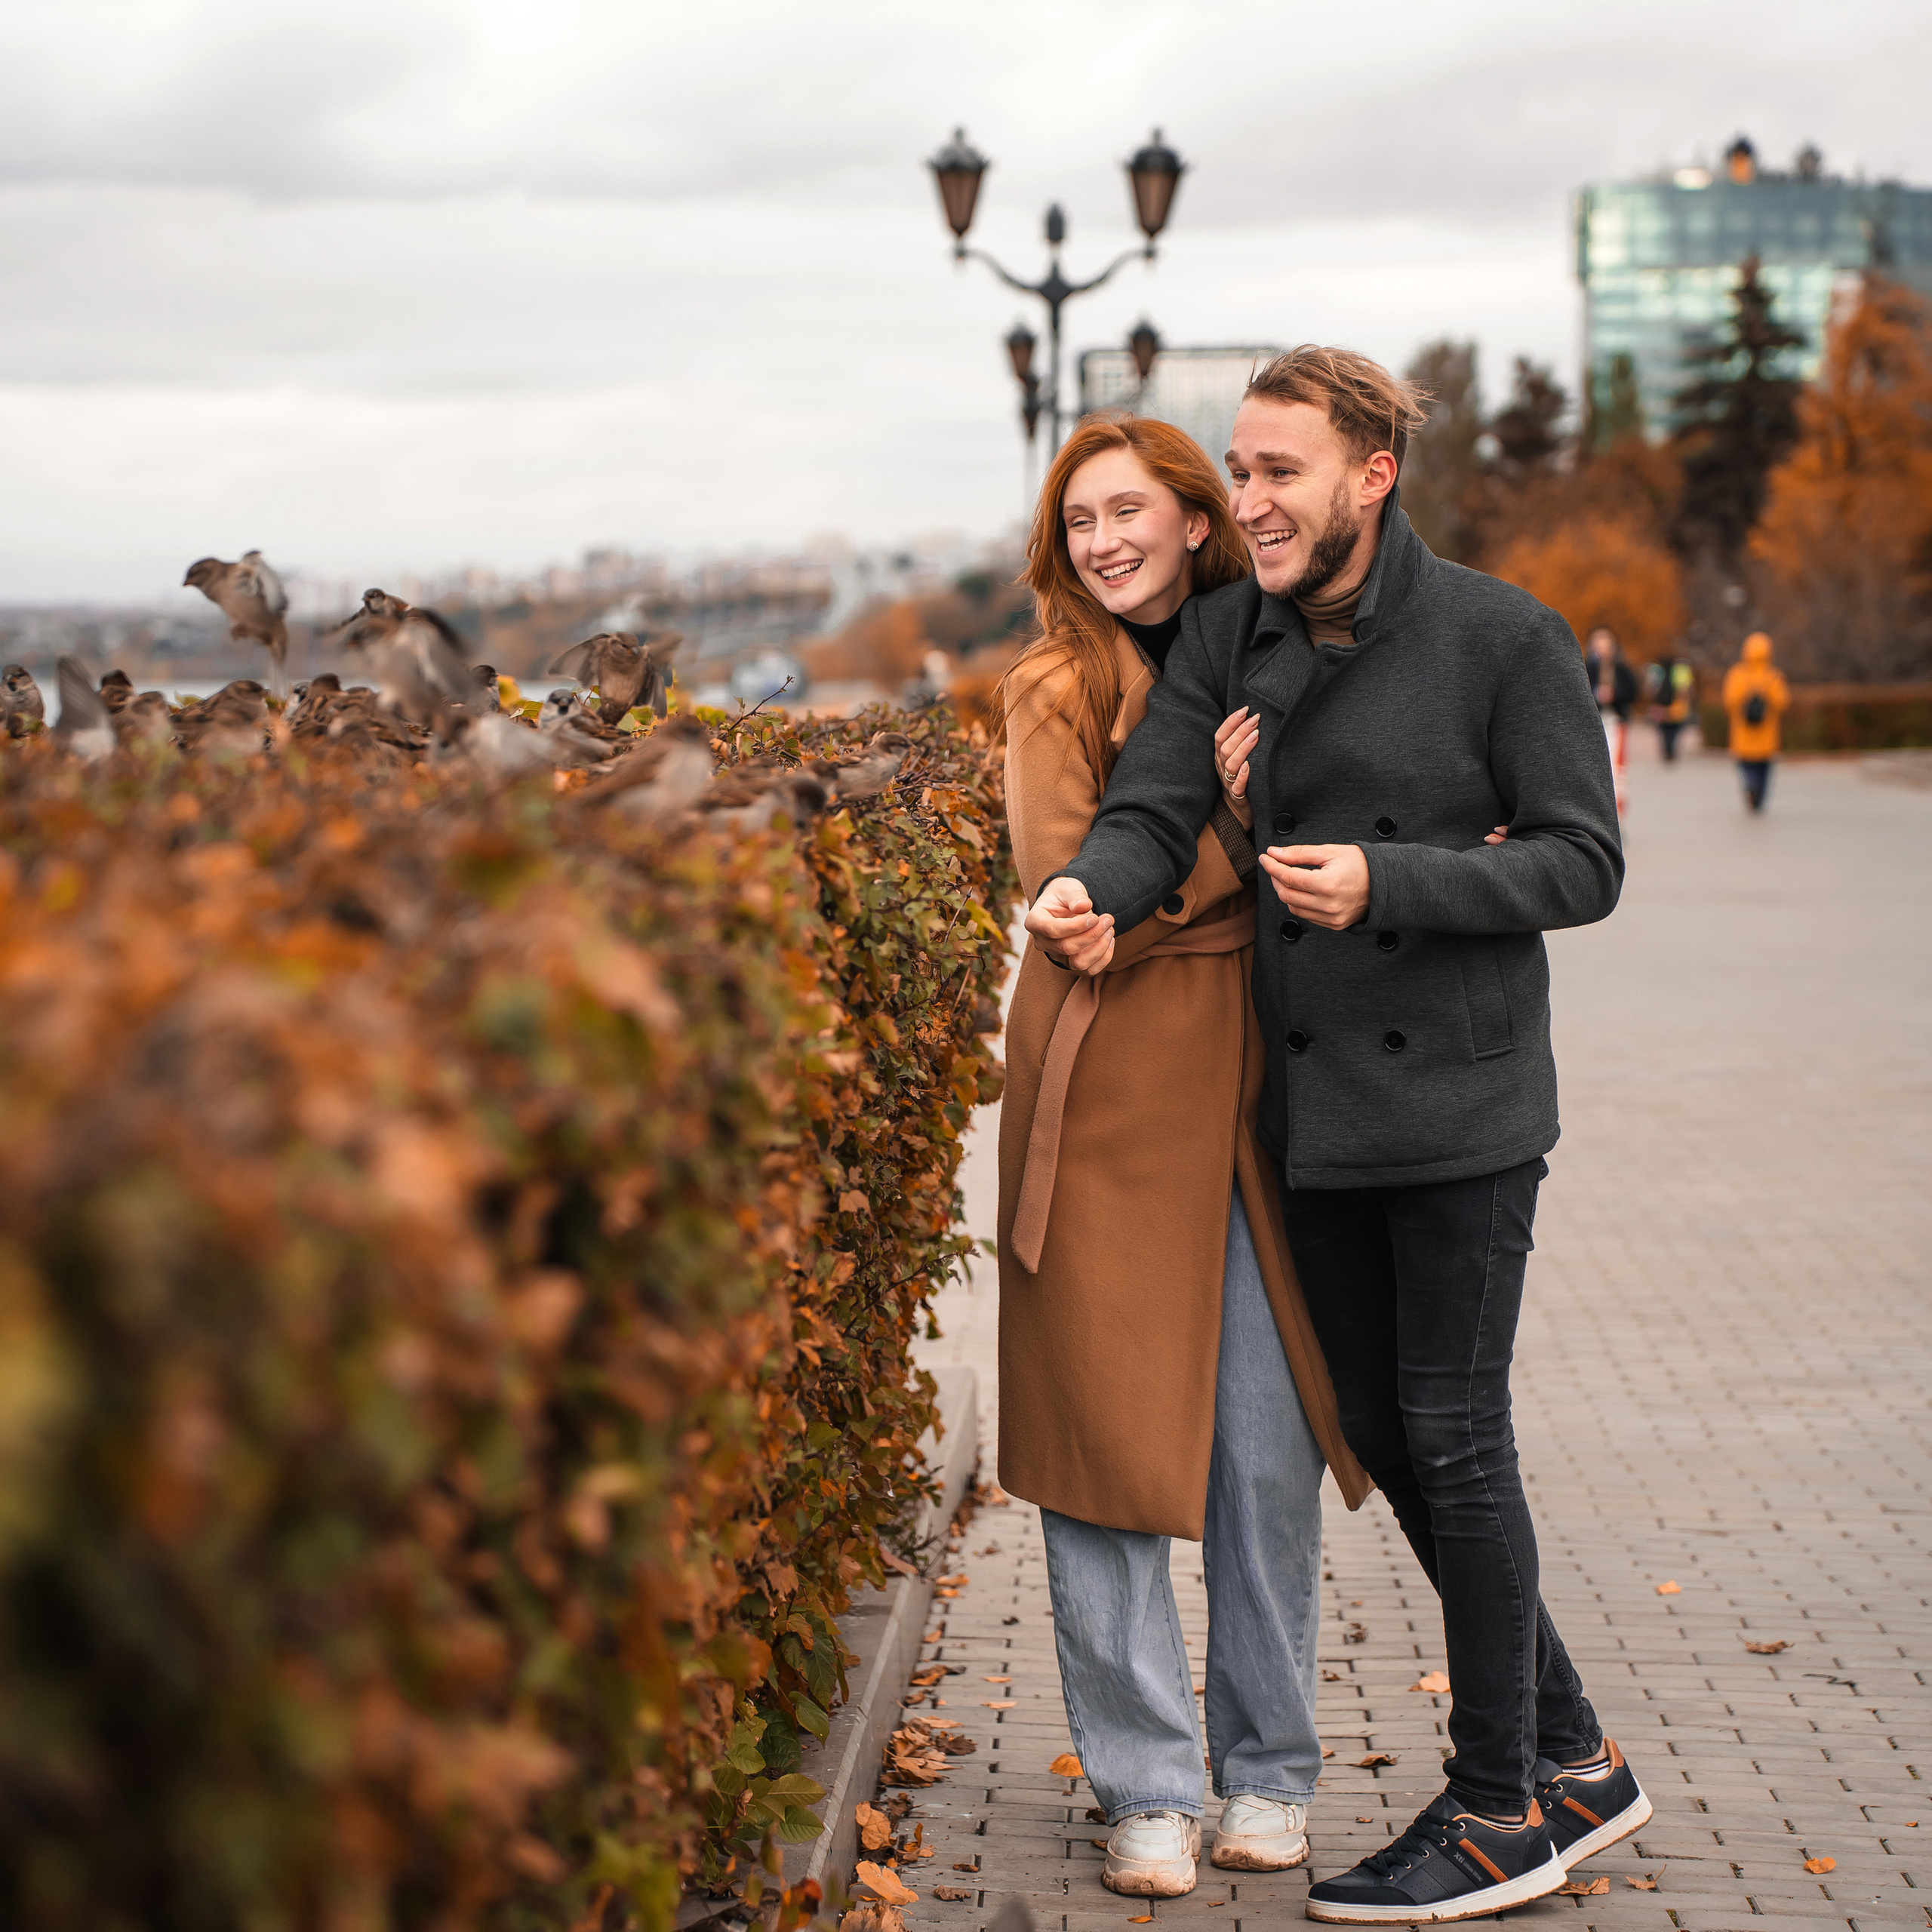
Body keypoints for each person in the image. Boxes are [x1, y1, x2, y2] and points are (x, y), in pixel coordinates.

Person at [1025, 347, 1652, 1924]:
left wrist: (1398, 879)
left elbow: (1583, 862)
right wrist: (1092, 884)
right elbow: (1154, 797)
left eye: (1277, 471)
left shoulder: (1500, 635)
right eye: (1238, 471)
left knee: (1451, 1433)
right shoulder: (1229, 632)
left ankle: (1503, 1798)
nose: (1249, 501)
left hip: (1457, 1105)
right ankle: (1575, 1751)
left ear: (1370, 472)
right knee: (1381, 1431)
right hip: (1305, 1122)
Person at [995, 413, 1372, 1902]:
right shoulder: (1050, 683)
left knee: (1262, 1444)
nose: (1101, 542)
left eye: (1125, 510)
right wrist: (1216, 822)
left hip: (1254, 1074)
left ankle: (1268, 1766)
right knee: (1101, 1446)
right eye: (1076, 520)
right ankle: (1144, 1781)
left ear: (1195, 519)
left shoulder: (1278, 650)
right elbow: (1060, 877)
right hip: (1100, 1079)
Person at [1722, 632, 1789, 811]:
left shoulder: (1737, 674)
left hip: (1743, 735)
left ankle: (1751, 786)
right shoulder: (1773, 675)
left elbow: (1729, 701)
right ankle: (1759, 796)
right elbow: (1782, 702)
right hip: (1767, 736)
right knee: (1765, 770)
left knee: (1747, 766)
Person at [1583, 626, 1638, 809]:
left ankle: (1617, 816)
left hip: (1616, 722)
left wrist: (1614, 695)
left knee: (1618, 771)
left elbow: (1632, 691)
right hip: (1593, 722)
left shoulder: (1621, 669)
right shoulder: (1586, 667)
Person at [1644, 650, 1696, 762]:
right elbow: (1685, 689)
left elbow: (1650, 689)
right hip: (1676, 706)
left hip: (1660, 706)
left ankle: (1666, 750)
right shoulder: (1681, 670)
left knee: (1663, 730)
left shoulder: (1656, 669)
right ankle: (1671, 749)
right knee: (1674, 730)